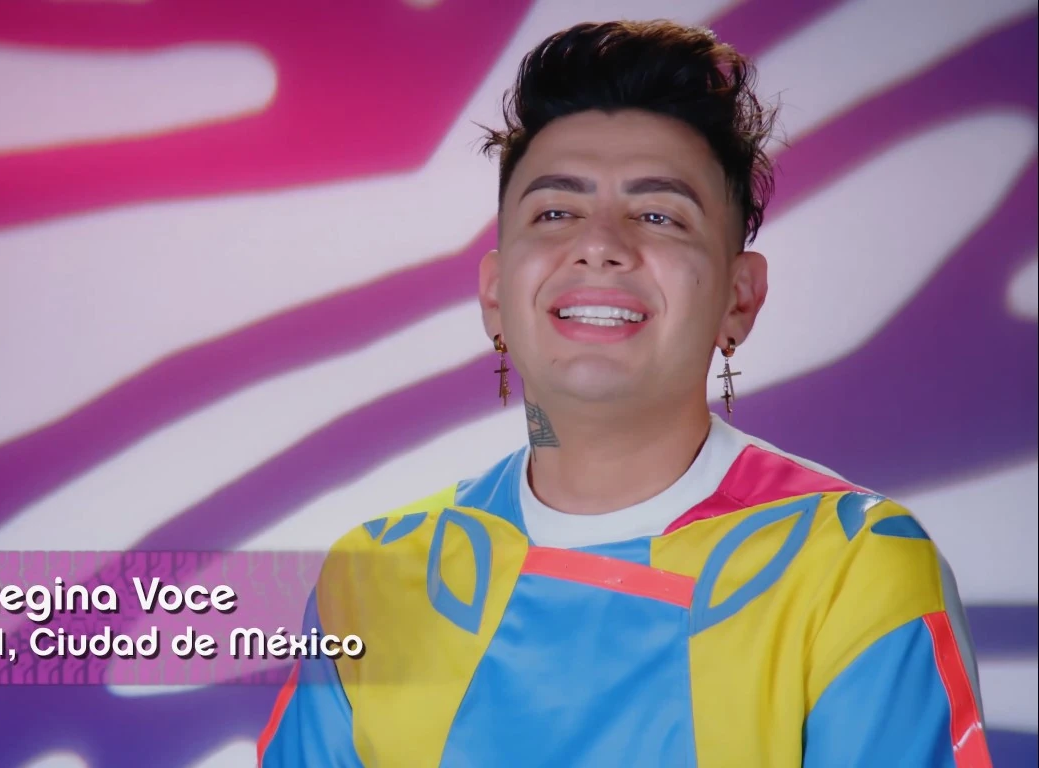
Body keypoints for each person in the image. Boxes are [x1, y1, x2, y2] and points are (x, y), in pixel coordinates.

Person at [257, 19, 991, 767]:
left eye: (659, 215)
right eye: (555, 212)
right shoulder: (372, 577)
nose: (600, 244)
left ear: (740, 297)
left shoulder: (850, 567)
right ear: (495, 295)